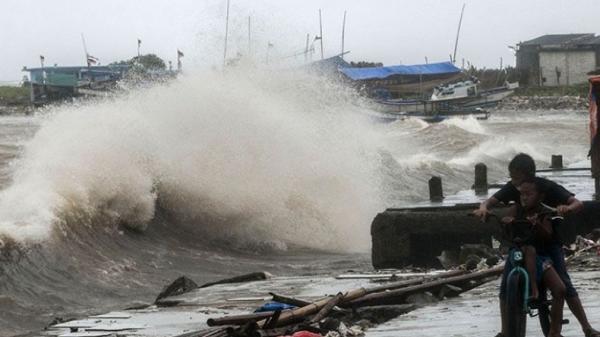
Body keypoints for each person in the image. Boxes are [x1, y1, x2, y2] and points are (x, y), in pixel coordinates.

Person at [473, 153, 600, 337]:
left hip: (549, 243)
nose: (517, 188)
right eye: (514, 180)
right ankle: (505, 330)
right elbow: (490, 202)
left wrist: (566, 209)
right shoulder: (514, 189)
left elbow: (576, 203)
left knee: (564, 284)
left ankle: (586, 327)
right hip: (523, 243)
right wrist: (484, 209)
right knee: (504, 287)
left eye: (517, 178)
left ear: (529, 175)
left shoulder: (546, 187)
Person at [501, 178, 566, 337]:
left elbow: (548, 235)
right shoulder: (516, 209)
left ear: (540, 196)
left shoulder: (544, 212)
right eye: (522, 194)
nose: (524, 197)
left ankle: (555, 332)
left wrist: (537, 224)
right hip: (517, 255)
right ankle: (506, 330)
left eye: (529, 194)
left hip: (540, 258)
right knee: (503, 291)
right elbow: (504, 224)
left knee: (560, 290)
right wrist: (507, 222)